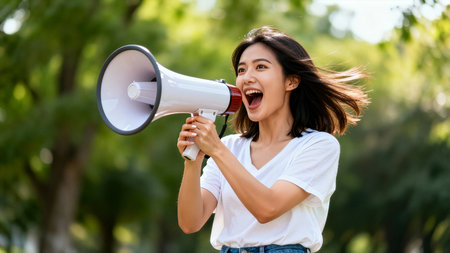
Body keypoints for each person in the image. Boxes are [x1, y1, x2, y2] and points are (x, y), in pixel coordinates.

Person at [176, 26, 370, 253]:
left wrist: (216, 150)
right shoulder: (230, 147)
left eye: (260, 67)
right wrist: (193, 162)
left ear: (291, 82)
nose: (247, 78)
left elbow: (267, 208)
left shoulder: (318, 146)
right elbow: (190, 223)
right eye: (241, 70)